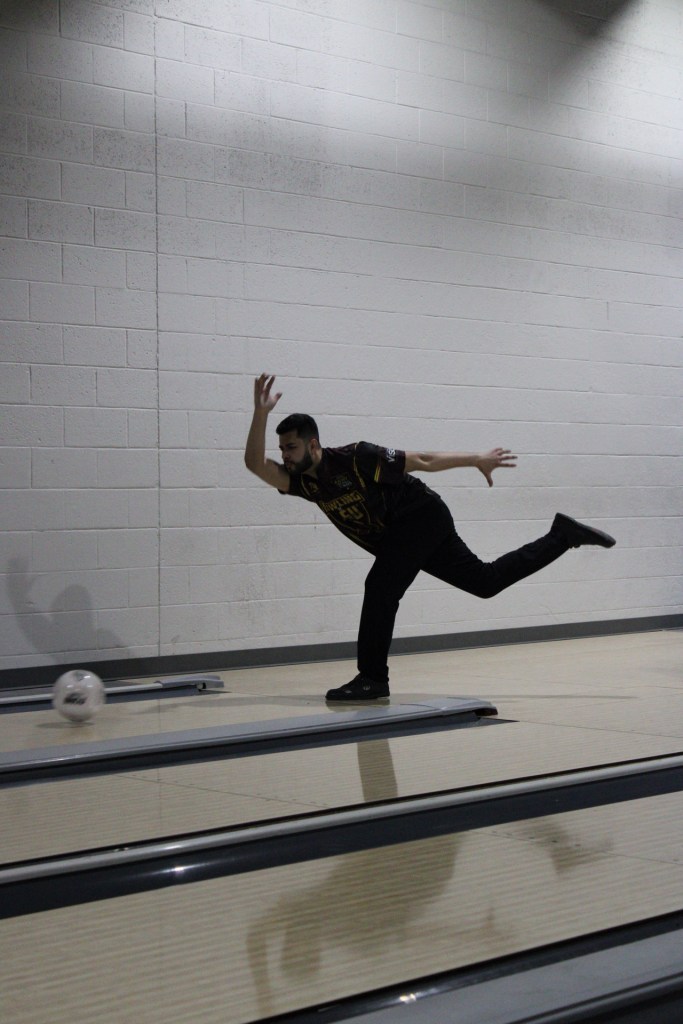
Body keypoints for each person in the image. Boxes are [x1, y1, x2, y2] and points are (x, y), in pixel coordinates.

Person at [245, 374, 616, 702]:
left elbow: (421, 459)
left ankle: (372, 679)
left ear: (313, 446)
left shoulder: (356, 457)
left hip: (419, 515)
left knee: (380, 587)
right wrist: (261, 414)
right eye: (282, 450)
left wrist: (476, 459)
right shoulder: (303, 483)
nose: (284, 457)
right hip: (413, 530)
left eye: (290, 448)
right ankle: (562, 536)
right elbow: (255, 464)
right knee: (484, 583)